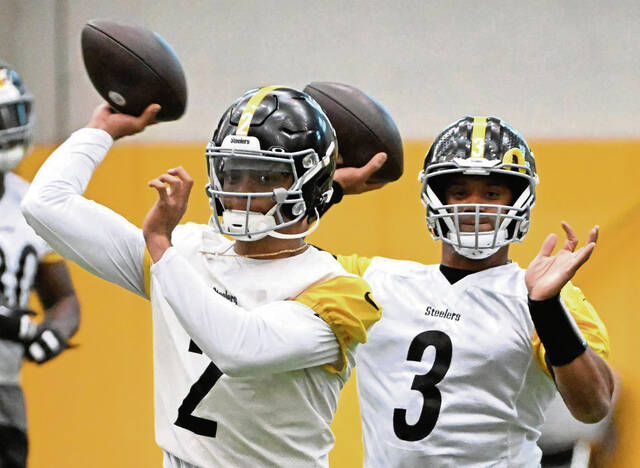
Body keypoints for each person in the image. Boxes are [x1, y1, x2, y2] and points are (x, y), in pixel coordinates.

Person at [21, 86, 381, 467]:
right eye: (233, 173)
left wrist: (160, 245)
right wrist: (100, 129)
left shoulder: (337, 291)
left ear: (308, 184)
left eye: (263, 177)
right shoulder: (189, 253)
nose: (240, 192)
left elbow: (238, 348)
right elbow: (44, 206)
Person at [329, 116, 614, 467]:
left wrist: (546, 308)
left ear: (519, 201)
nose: (473, 206)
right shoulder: (373, 280)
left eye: (492, 193)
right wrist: (328, 191)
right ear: (436, 197)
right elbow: (261, 262)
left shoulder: (550, 297)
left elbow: (594, 406)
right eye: (459, 192)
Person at [0, 61, 80, 467]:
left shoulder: (31, 204)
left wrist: (53, 331)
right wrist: (13, 323)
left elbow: (64, 297)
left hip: (5, 389)